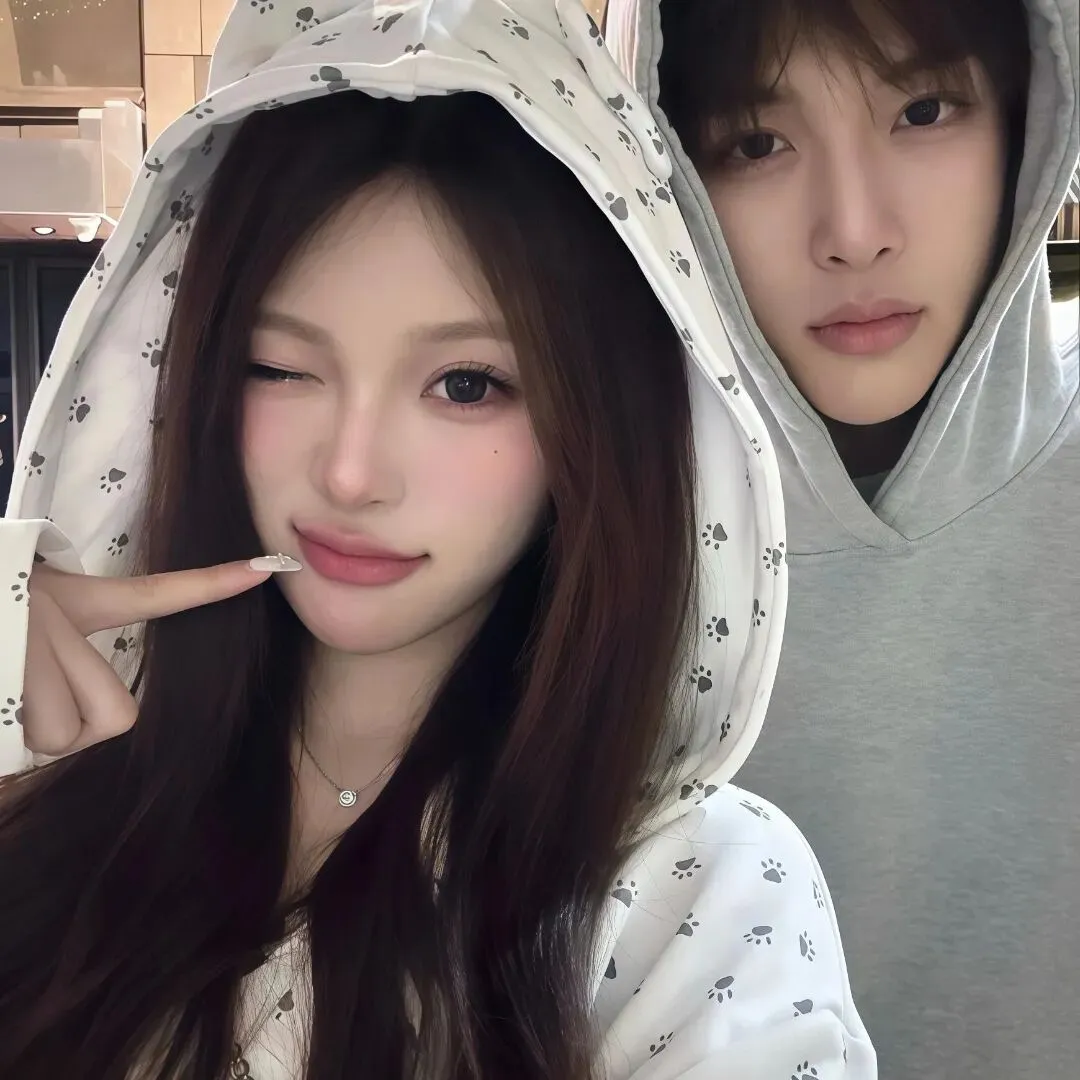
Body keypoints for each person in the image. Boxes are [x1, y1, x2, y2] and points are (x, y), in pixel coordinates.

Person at [0, 2, 875, 1077]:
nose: (351, 474)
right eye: (280, 366)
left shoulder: (694, 897)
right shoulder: (57, 763)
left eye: (466, 385)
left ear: (595, 425)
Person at [605, 0, 1080, 1075]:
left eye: (925, 110)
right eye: (755, 143)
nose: (855, 230)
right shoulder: (575, 531)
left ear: (1032, 115)